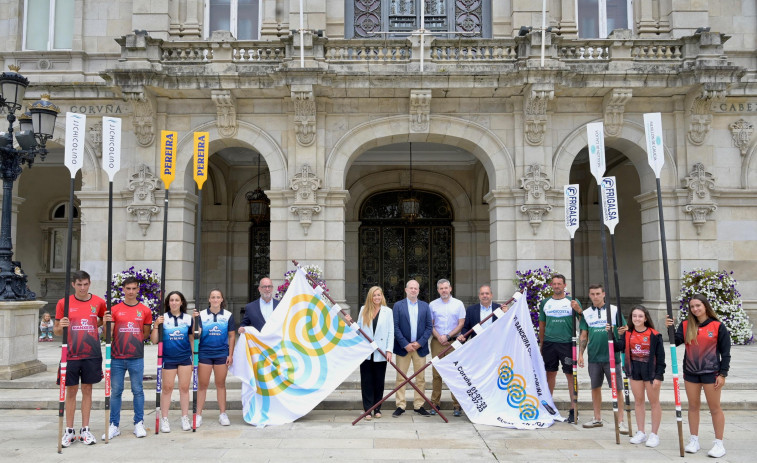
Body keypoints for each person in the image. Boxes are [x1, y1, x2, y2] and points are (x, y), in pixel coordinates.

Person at [667, 294, 731, 458]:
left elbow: (726, 353)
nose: (695, 309)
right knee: (693, 407)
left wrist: (722, 374)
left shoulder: (718, 326)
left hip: (711, 373)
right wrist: (671, 328)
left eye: (698, 305)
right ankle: (694, 440)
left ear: (705, 306)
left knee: (714, 408)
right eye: (692, 306)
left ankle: (719, 444)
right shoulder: (686, 325)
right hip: (691, 373)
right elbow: (676, 341)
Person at [54, 270, 107, 447]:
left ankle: (85, 429)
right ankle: (69, 430)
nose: (83, 288)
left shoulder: (99, 302)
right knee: (71, 391)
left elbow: (100, 321)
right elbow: (56, 330)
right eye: (79, 285)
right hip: (70, 353)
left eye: (85, 284)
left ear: (89, 283)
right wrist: (61, 326)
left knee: (88, 390)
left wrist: (103, 323)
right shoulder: (64, 303)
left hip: (91, 353)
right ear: (73, 285)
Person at [104, 276, 152, 440]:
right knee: (116, 391)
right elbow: (107, 335)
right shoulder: (114, 309)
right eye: (128, 288)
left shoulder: (145, 310)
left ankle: (139, 423)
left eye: (134, 288)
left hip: (136, 357)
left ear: (138, 290)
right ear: (123, 290)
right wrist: (105, 323)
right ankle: (114, 425)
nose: (131, 291)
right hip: (117, 357)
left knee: (137, 390)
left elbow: (145, 333)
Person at [578, 284, 627, 434]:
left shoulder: (614, 310)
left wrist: (616, 331)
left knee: (617, 388)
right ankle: (597, 418)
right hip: (594, 356)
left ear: (604, 294)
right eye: (592, 294)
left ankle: (621, 421)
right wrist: (580, 354)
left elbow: (624, 329)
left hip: (612, 357)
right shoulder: (586, 313)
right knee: (595, 387)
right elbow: (584, 335)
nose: (595, 297)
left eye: (598, 293)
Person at [614, 305, 665, 447]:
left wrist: (658, 376)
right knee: (638, 401)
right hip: (635, 370)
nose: (637, 319)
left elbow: (661, 358)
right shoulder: (628, 333)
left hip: (651, 372)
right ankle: (641, 432)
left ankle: (654, 435)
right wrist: (612, 334)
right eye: (634, 316)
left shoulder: (654, 335)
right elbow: (618, 347)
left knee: (654, 402)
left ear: (645, 318)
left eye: (640, 316)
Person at [538, 274, 582, 423]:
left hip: (567, 344)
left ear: (564, 285)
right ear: (551, 285)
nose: (557, 286)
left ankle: (573, 408)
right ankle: (548, 406)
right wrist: (541, 344)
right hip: (550, 343)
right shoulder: (545, 303)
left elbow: (583, 321)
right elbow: (542, 325)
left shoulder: (572, 302)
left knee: (570, 375)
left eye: (559, 284)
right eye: (554, 284)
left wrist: (579, 310)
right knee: (550, 374)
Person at [150, 291, 194, 432]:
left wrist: (194, 359)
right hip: (168, 358)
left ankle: (185, 417)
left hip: (185, 358)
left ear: (182, 302)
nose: (174, 302)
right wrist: (156, 325)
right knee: (167, 388)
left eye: (177, 300)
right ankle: (164, 419)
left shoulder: (188, 318)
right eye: (171, 300)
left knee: (184, 388)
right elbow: (154, 340)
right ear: (168, 303)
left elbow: (193, 338)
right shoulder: (163, 319)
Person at [392, 279, 433, 417]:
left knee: (420, 378)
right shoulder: (398, 306)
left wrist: (420, 342)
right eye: (411, 288)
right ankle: (400, 405)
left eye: (416, 288)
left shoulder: (425, 306)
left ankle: (418, 405)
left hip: (419, 348)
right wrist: (405, 344)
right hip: (403, 348)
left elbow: (429, 327)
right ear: (406, 290)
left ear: (419, 291)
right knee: (401, 378)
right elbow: (395, 327)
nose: (413, 290)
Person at [195, 288, 236, 427]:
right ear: (209, 299)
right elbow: (197, 334)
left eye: (218, 297)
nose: (215, 299)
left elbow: (231, 335)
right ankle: (198, 415)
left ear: (222, 299)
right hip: (205, 353)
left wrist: (230, 354)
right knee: (203, 385)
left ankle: (223, 414)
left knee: (220, 384)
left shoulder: (228, 315)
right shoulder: (200, 315)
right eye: (213, 297)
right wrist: (196, 325)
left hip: (221, 354)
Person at [428, 279, 465, 416]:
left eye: (446, 288)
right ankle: (434, 404)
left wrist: (448, 336)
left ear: (450, 288)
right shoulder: (432, 305)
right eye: (441, 288)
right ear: (438, 290)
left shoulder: (458, 304)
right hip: (437, 342)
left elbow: (461, 324)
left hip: (453, 342)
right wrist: (439, 337)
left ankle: (457, 405)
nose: (444, 290)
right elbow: (430, 324)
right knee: (436, 374)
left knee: (454, 373)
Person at [356, 286, 394, 420]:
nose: (377, 297)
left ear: (382, 296)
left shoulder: (388, 312)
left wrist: (389, 350)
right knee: (366, 381)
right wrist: (350, 323)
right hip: (366, 352)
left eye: (379, 295)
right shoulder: (363, 310)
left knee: (379, 381)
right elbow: (358, 330)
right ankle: (368, 410)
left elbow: (391, 332)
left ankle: (377, 408)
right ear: (370, 297)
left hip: (381, 351)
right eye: (374, 295)